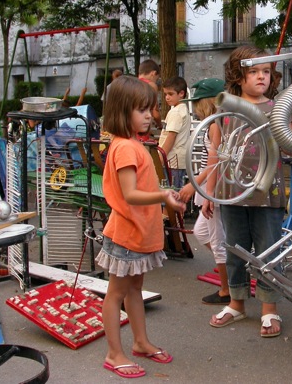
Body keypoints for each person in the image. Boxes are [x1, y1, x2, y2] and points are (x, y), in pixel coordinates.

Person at [96, 75, 185, 379]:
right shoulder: (124, 148)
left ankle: (140, 342)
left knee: (135, 289)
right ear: (122, 112)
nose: (149, 115)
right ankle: (113, 353)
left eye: (150, 109)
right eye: (141, 110)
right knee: (116, 293)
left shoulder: (134, 144)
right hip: (125, 233)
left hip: (139, 232)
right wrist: (163, 195)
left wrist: (163, 196)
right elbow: (130, 193)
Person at [203, 45, 287, 338]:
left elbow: (289, 145)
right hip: (230, 192)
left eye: (266, 71)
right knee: (235, 249)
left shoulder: (277, 108)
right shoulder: (224, 107)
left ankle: (269, 308)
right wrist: (208, 192)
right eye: (253, 72)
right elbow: (216, 148)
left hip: (268, 194)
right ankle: (236, 303)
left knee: (268, 251)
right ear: (239, 76)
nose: (261, 77)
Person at [178, 78, 230, 305]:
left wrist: (195, 185)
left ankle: (227, 290)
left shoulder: (215, 124)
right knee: (201, 232)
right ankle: (233, 270)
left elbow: (214, 161)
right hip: (212, 185)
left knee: (218, 241)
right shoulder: (217, 122)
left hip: (214, 187)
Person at [158, 76, 191, 189]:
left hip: (172, 160)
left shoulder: (176, 112)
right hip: (177, 160)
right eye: (165, 94)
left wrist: (161, 157)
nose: (167, 97)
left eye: (170, 94)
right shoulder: (182, 109)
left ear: (181, 93)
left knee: (171, 194)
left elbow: (171, 137)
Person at [138, 59, 162, 130]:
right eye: (156, 79)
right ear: (153, 73)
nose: (155, 81)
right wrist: (160, 125)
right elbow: (155, 112)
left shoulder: (132, 84)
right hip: (141, 126)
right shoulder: (151, 85)